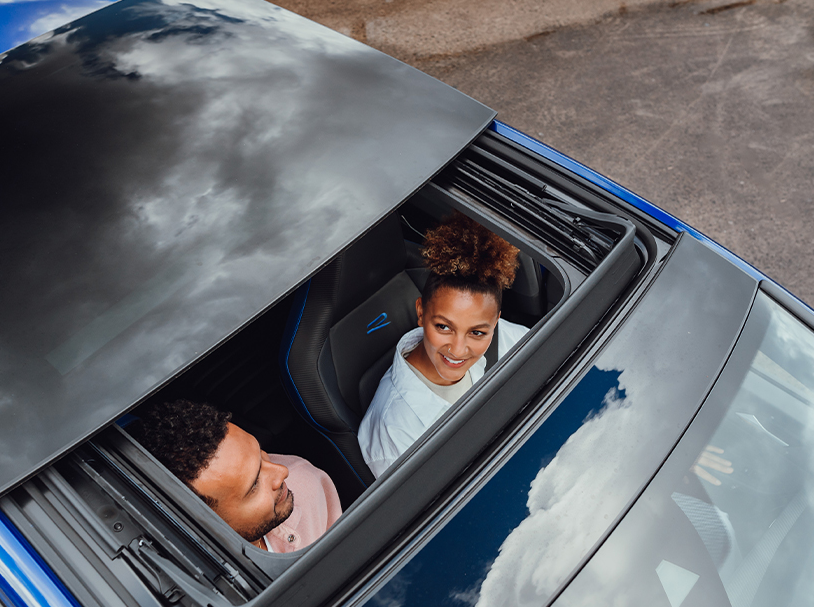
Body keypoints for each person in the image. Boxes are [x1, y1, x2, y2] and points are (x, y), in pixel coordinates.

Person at [358, 213, 529, 478]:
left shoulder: (511, 341)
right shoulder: (394, 429)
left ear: (495, 322)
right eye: (443, 327)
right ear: (421, 313)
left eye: (477, 333)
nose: (459, 350)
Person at [133, 399, 341, 552]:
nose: (282, 471)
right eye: (253, 486)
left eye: (261, 455)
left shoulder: (306, 482)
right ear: (206, 522)